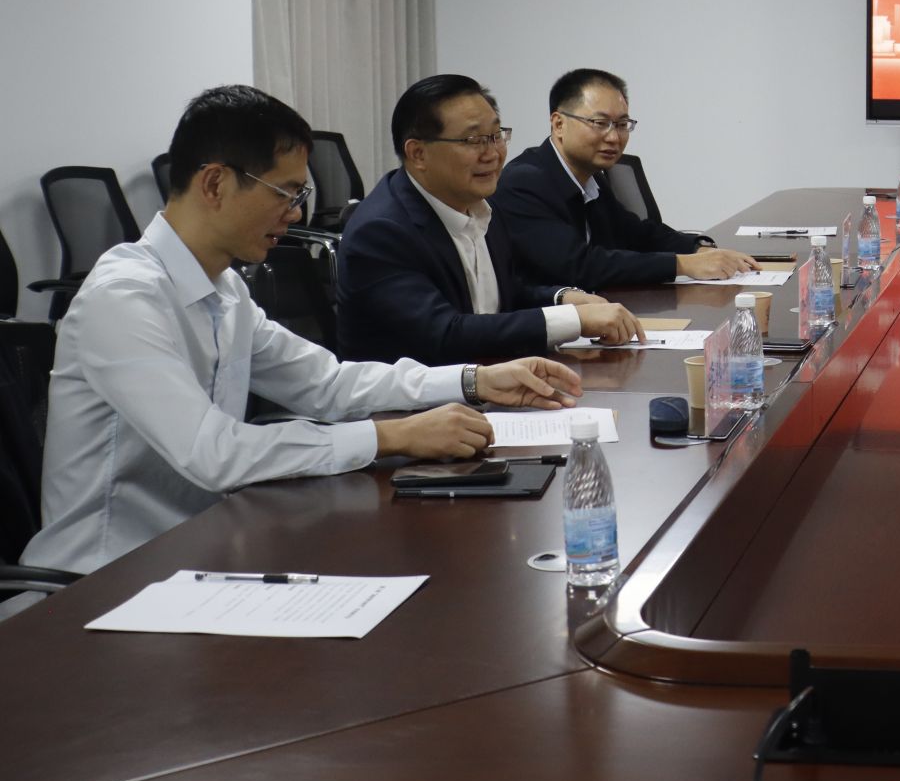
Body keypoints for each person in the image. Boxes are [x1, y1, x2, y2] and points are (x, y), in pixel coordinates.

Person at [15, 86, 582, 580]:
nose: (295, 215)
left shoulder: (225, 291)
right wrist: (393, 436)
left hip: (200, 552)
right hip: (102, 579)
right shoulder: (125, 298)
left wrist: (473, 380)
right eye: (285, 194)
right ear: (214, 184)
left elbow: (327, 384)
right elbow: (213, 453)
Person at [335, 75, 643, 365]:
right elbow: (445, 333)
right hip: (420, 398)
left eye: (496, 136)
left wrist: (562, 298)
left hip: (489, 378)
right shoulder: (381, 231)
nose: (493, 154)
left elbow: (500, 295)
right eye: (473, 140)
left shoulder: (482, 208)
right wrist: (572, 320)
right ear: (418, 154)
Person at [496, 68, 756, 289]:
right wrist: (682, 264)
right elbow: (578, 265)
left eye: (622, 124)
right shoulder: (524, 182)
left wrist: (699, 248)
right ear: (558, 124)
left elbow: (638, 234)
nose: (614, 137)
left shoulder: (592, 178)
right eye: (600, 123)